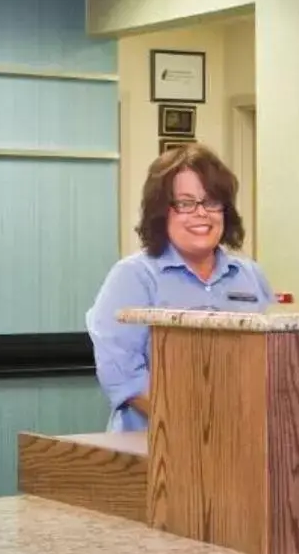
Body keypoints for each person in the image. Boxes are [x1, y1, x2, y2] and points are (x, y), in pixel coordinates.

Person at [86, 143, 272, 432]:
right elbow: (123, 378)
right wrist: (196, 425)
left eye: (211, 201)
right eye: (185, 203)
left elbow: (271, 363)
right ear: (162, 212)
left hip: (241, 443)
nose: (201, 214)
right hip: (156, 450)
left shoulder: (250, 275)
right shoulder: (133, 277)